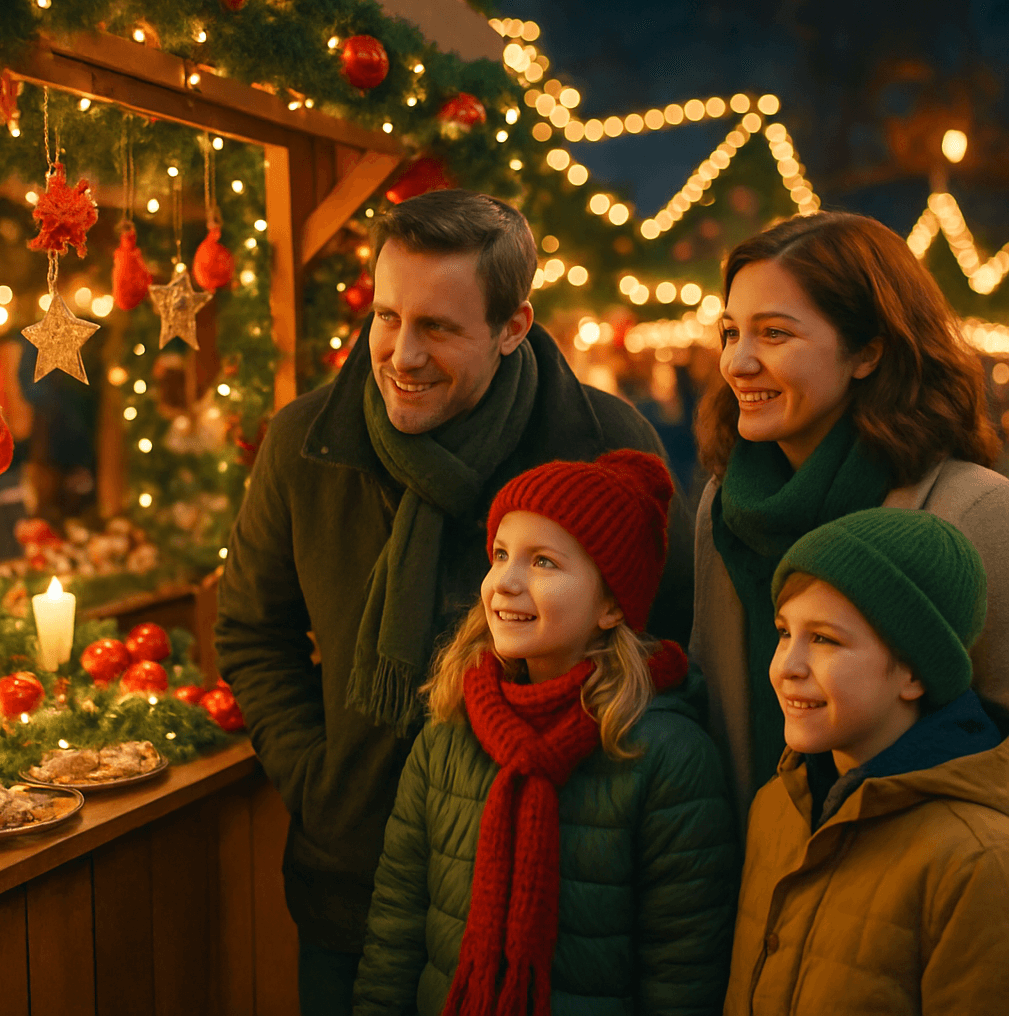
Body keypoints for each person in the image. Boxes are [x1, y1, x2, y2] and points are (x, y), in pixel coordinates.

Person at [214, 190, 695, 1015]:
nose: (401, 353)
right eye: (387, 316)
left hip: (552, 902)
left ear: (513, 326)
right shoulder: (307, 442)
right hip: (354, 887)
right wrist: (320, 781)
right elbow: (255, 633)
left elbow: (663, 646)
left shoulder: (605, 446)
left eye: (438, 327)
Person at [352, 451, 737, 1016]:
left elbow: (681, 971)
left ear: (610, 604)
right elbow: (394, 930)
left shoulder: (665, 755)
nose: (504, 582)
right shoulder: (449, 732)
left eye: (544, 563)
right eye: (501, 554)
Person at [690, 210, 1009, 818]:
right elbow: (712, 701)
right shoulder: (722, 504)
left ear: (867, 352)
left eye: (775, 333)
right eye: (731, 332)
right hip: (746, 870)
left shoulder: (973, 510)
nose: (738, 362)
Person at [725, 507, 1009, 1015]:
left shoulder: (978, 861)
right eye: (785, 632)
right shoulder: (777, 806)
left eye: (824, 639)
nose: (786, 666)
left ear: (914, 674)